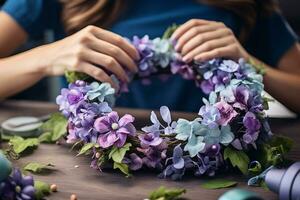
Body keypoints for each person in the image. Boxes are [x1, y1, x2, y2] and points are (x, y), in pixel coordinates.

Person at [0, 0, 299, 113]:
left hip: (212, 176)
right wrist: (45, 57)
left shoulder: (244, 3)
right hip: (93, 169)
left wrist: (247, 63)